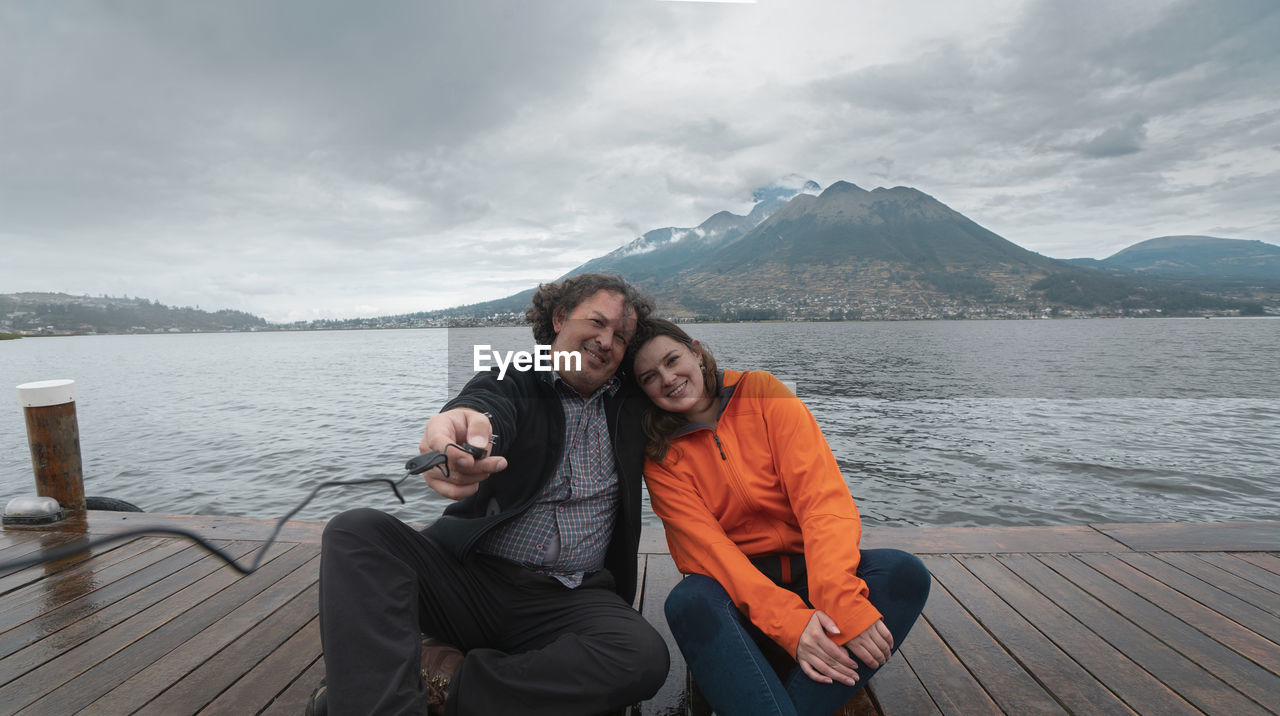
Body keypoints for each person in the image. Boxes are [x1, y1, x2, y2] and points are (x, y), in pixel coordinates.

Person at [315, 274, 670, 715]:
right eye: (596, 322)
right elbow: (484, 406)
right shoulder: (516, 376)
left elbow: (687, 378)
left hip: (570, 598)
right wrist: (465, 432)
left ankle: (444, 679)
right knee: (355, 532)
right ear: (559, 318)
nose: (606, 341)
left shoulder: (633, 401)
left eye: (621, 336)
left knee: (643, 659)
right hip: (471, 579)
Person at [631, 319, 930, 716]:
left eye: (672, 360)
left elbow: (821, 499)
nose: (668, 379)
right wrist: (790, 625)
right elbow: (710, 551)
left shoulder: (762, 392)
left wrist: (840, 599)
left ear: (697, 352)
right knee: (688, 602)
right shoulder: (659, 454)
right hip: (740, 599)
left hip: (814, 581)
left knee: (903, 572)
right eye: (650, 377)